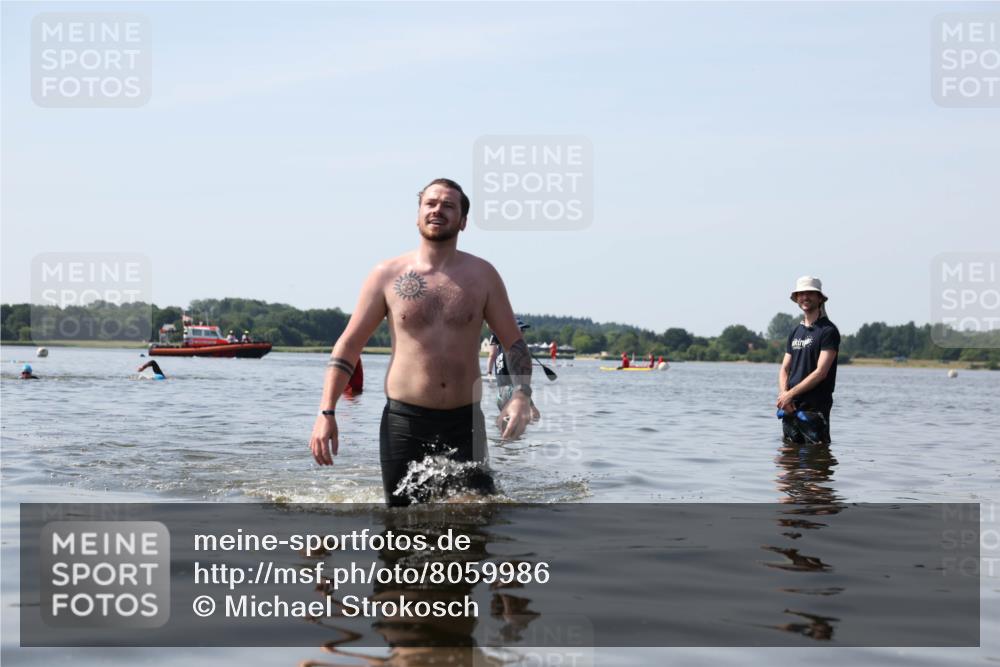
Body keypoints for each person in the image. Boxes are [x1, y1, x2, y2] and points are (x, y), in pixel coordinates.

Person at [309, 178, 533, 506]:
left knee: (477, 525)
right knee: (401, 526)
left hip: (465, 422)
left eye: (448, 205)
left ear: (463, 221)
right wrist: (326, 412)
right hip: (405, 421)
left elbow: (514, 344)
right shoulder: (386, 275)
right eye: (430, 203)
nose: (437, 210)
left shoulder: (483, 276)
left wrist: (521, 396)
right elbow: (349, 345)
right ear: (417, 216)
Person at [777, 276, 840, 444]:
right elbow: (784, 369)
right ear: (797, 299)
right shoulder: (795, 332)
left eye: (810, 293)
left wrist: (789, 394)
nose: (805, 297)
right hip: (791, 408)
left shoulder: (828, 331)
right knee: (788, 462)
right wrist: (785, 396)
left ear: (819, 298)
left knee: (816, 463)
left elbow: (821, 372)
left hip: (815, 409)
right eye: (801, 293)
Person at [490, 319, 541, 422]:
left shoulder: (501, 345)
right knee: (535, 415)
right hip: (512, 391)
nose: (523, 333)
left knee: (507, 430)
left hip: (500, 395)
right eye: (520, 330)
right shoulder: (514, 349)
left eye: (523, 331)